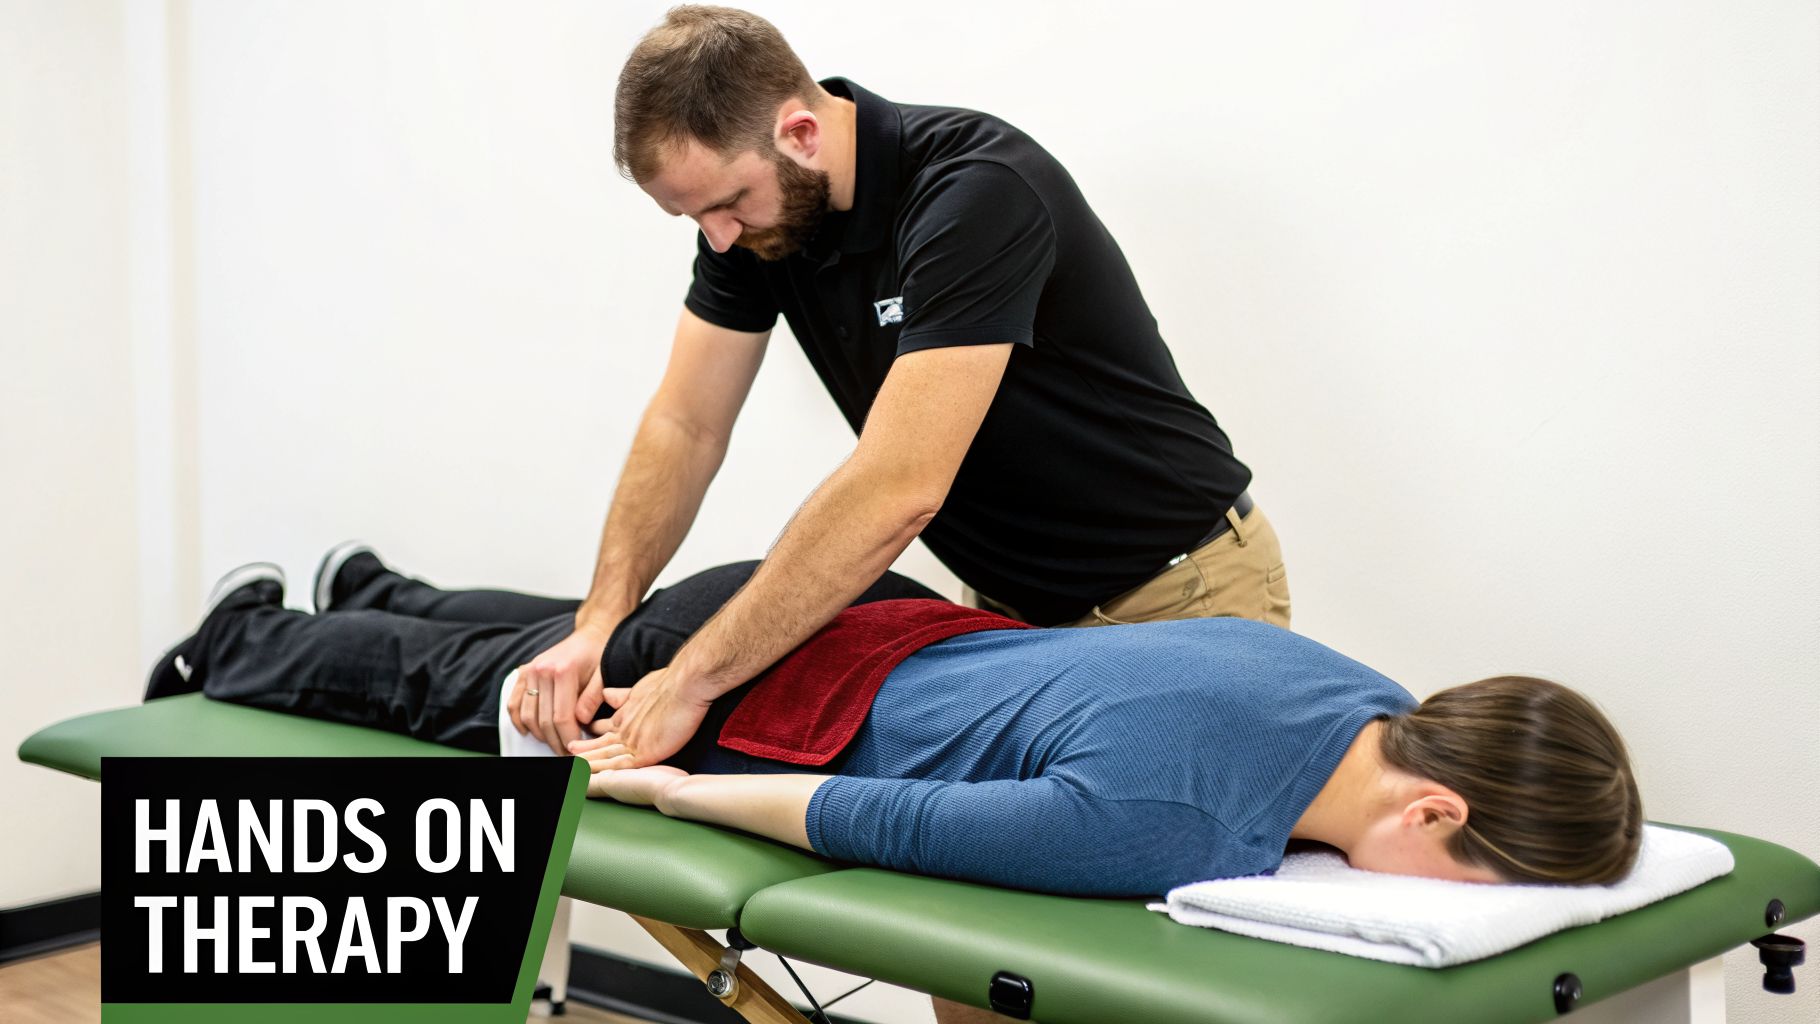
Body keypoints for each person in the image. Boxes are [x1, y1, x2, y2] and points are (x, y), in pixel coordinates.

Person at [512, 6, 1293, 777]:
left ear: (800, 134)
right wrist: (600, 623)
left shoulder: (976, 190)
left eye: (726, 203)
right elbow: (686, 424)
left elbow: (898, 486)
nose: (716, 236)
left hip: (1177, 591)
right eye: (692, 215)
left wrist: (690, 678)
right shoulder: (749, 230)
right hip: (1011, 609)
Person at [148, 547, 1643, 899]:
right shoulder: (1184, 833)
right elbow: (863, 820)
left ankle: (377, 580)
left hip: (862, 613)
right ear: (1436, 811)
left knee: (556, 633)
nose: (1467, 910)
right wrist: (665, 793)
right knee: (462, 706)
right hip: (772, 694)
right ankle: (246, 636)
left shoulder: (1344, 684)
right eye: (1485, 887)